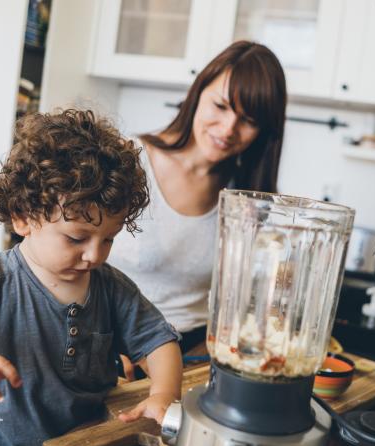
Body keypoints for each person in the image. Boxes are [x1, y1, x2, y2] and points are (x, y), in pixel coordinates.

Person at [0, 109, 183, 446]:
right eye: (77, 239)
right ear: (22, 217)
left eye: (108, 239)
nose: (95, 255)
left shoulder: (111, 288)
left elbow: (159, 344)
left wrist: (162, 395)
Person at [107, 40, 287, 376]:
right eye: (220, 106)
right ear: (197, 92)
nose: (229, 128)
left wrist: (204, 359)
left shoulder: (249, 200)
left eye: (247, 120)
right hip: (111, 352)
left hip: (192, 359)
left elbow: (243, 309)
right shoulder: (127, 160)